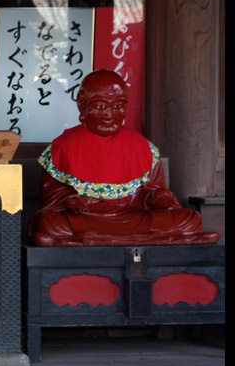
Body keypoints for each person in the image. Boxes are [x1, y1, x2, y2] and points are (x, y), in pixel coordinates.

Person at [29, 69, 219, 247]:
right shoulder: (64, 145)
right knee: (50, 223)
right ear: (82, 104)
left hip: (134, 216)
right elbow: (53, 198)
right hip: (88, 218)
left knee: (190, 219)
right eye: (101, 106)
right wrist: (71, 201)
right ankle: (158, 239)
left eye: (118, 106)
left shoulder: (142, 146)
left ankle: (85, 240)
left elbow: (153, 191)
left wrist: (156, 198)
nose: (109, 114)